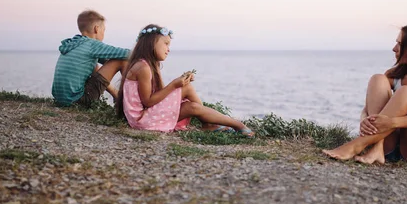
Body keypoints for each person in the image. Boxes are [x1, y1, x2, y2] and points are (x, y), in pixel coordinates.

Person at [323, 23, 407, 166]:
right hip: (391, 146)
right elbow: (369, 107)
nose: (394, 48)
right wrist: (365, 119)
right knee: (377, 79)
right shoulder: (394, 74)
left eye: (399, 44)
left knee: (405, 92)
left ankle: (357, 145)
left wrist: (391, 123)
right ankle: (377, 149)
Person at [115, 24, 255, 136]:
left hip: (147, 115)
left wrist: (180, 82)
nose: (168, 49)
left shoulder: (151, 65)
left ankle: (209, 124)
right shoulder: (142, 67)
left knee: (189, 99)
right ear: (151, 43)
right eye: (166, 44)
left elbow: (160, 95)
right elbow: (148, 101)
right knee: (189, 100)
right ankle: (235, 124)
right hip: (142, 120)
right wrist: (174, 85)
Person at [52, 10, 129, 106]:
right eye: (103, 30)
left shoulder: (74, 44)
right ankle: (128, 102)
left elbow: (107, 63)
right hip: (79, 101)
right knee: (121, 60)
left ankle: (117, 95)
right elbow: (126, 53)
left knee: (95, 65)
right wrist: (146, 53)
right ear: (96, 29)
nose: (104, 33)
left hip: (61, 101)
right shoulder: (92, 44)